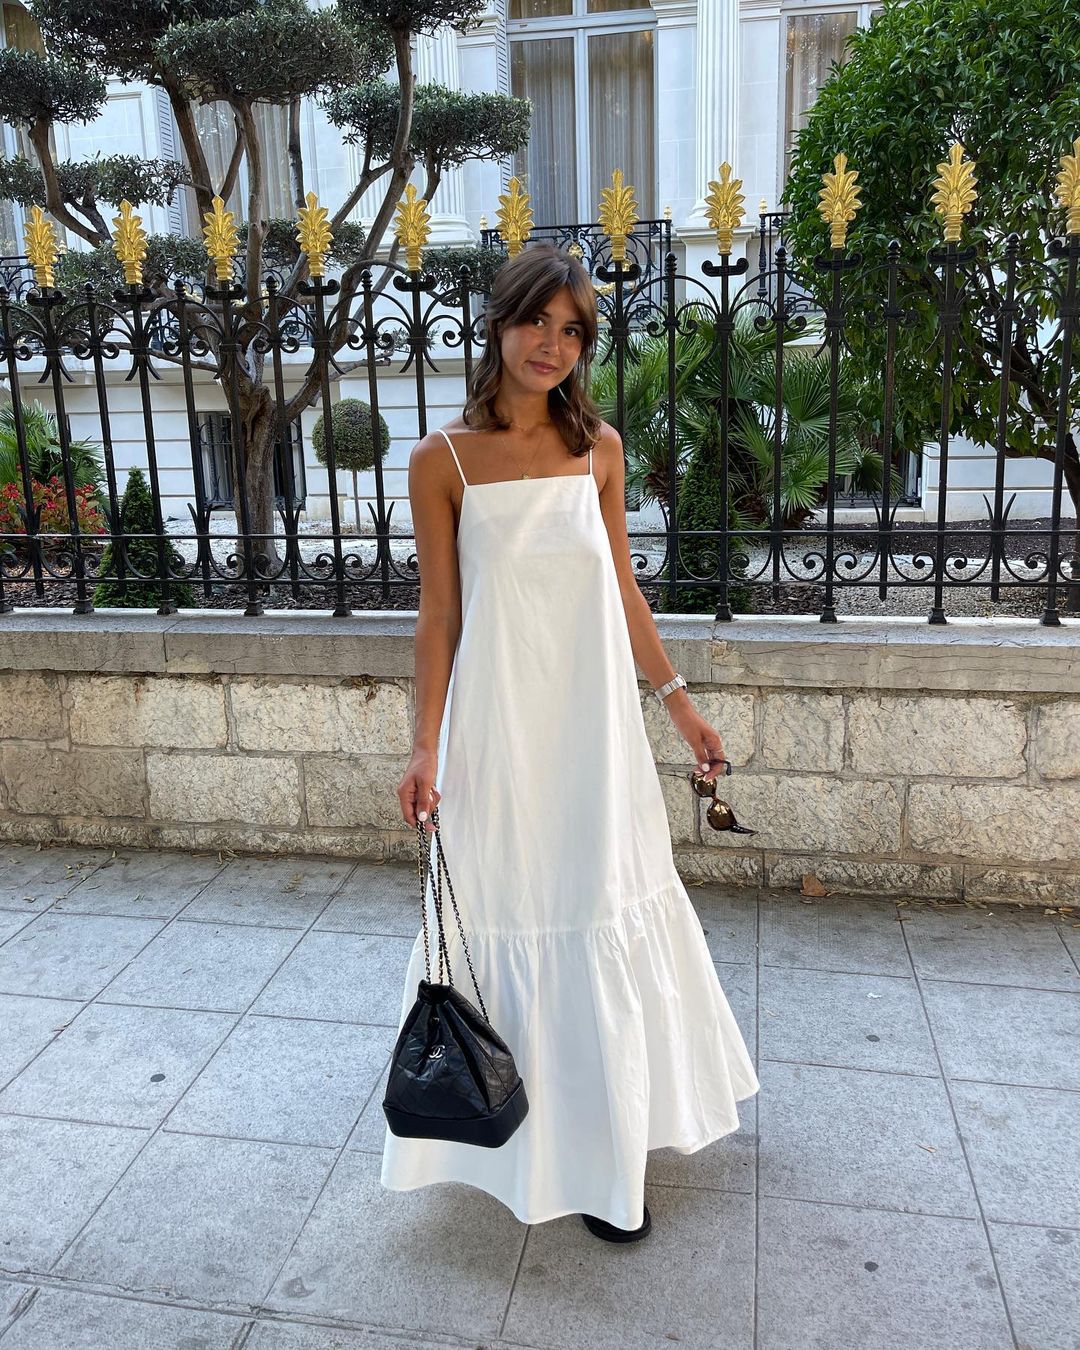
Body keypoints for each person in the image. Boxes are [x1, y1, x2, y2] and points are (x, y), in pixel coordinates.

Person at [386, 242, 759, 1243]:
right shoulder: (441, 462)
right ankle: (518, 1136)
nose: (551, 345)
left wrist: (679, 704)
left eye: (572, 330)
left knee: (597, 906)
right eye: (535, 322)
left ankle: (606, 1161)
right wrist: (425, 748)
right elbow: (438, 618)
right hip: (500, 734)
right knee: (517, 911)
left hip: (593, 733)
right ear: (498, 325)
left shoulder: (599, 449)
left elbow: (622, 589)